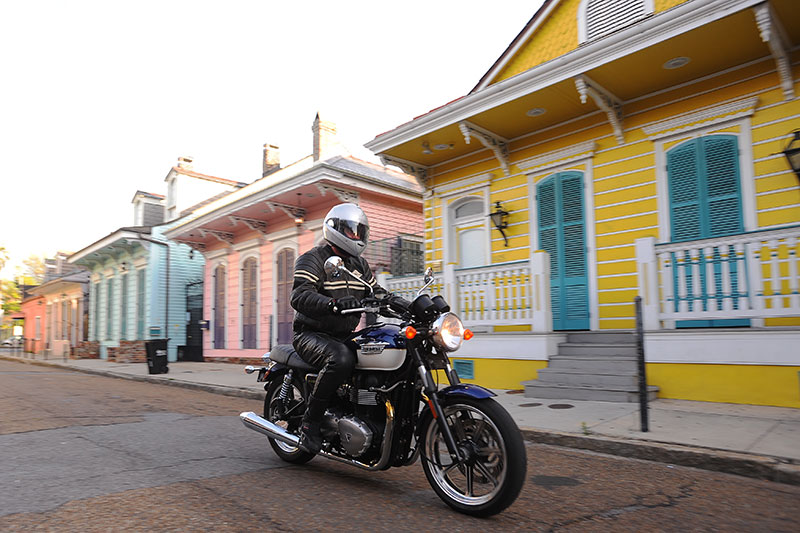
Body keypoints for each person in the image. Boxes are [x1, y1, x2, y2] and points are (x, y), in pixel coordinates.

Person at [290, 203, 394, 454]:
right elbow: (300, 295)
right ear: (335, 229)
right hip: (310, 334)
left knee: (378, 349)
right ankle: (309, 423)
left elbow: (376, 293)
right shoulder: (313, 259)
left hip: (344, 334)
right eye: (351, 231)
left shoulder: (359, 265)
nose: (357, 237)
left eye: (360, 232)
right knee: (341, 358)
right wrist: (332, 304)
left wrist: (408, 304)